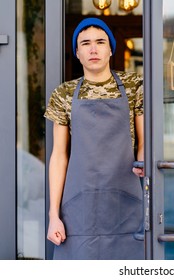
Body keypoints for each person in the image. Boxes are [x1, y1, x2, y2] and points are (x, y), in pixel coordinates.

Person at [44, 17, 144, 260]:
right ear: (77, 53)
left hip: (126, 202)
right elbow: (59, 156)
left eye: (100, 42)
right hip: (79, 207)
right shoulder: (64, 93)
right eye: (85, 43)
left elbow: (144, 143)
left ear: (111, 48)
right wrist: (54, 216)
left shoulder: (134, 86)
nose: (93, 48)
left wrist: (143, 164)